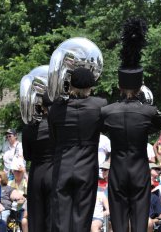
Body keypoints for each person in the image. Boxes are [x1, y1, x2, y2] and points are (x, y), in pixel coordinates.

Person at [101, 18, 161, 232]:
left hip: (118, 170)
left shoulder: (108, 111)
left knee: (118, 220)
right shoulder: (148, 111)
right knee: (140, 219)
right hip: (140, 170)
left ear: (119, 86)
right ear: (140, 87)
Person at [48, 67, 107, 232]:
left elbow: (53, 138)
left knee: (60, 220)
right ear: (90, 86)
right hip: (87, 168)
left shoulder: (55, 108)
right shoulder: (100, 105)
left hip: (62, 167)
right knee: (82, 219)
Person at [22, 92, 54, 232]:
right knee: (52, 215)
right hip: (53, 171)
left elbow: (27, 156)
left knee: (35, 215)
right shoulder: (56, 125)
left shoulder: (28, 128)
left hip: (36, 173)